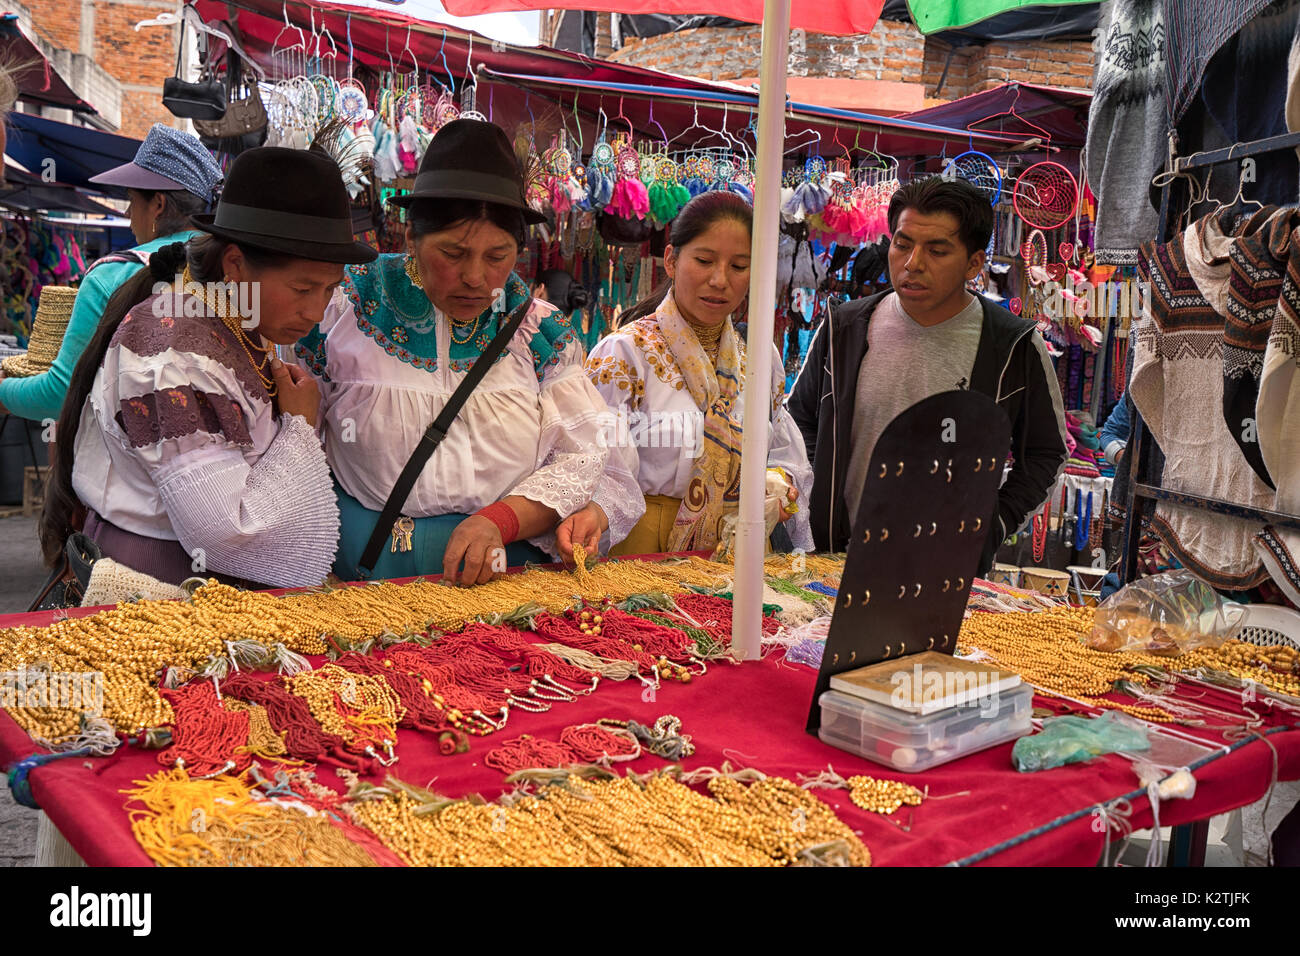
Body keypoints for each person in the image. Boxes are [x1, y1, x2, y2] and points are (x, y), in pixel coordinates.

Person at [295, 119, 643, 585]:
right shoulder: (343, 309)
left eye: (497, 256)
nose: (476, 277)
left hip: (502, 581)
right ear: (412, 239)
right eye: (453, 254)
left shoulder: (537, 332)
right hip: (362, 581)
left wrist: (501, 519)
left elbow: (597, 460)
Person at [39, 146, 377, 588]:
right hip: (161, 585)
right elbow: (225, 533)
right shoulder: (172, 358)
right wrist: (298, 425)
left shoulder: (243, 319)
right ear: (235, 264)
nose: (317, 310)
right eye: (303, 288)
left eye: (330, 288)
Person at [789, 176, 1069, 574]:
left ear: (974, 263)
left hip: (945, 575)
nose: (913, 263)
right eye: (902, 244)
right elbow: (798, 424)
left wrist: (991, 526)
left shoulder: (1011, 345)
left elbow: (1045, 453)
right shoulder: (845, 328)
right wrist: (820, 500)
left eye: (937, 251)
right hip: (834, 561)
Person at [585, 191, 813, 556]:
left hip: (741, 547)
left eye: (739, 267)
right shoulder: (625, 354)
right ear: (672, 260)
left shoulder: (759, 358)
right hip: (647, 548)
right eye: (705, 260)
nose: (720, 280)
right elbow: (595, 466)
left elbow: (784, 450)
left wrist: (778, 483)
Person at [0, 124, 223, 420]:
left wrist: (4, 391)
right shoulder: (234, 267)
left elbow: (62, 393)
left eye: (131, 200)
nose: (129, 214)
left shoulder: (113, 275)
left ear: (158, 204)